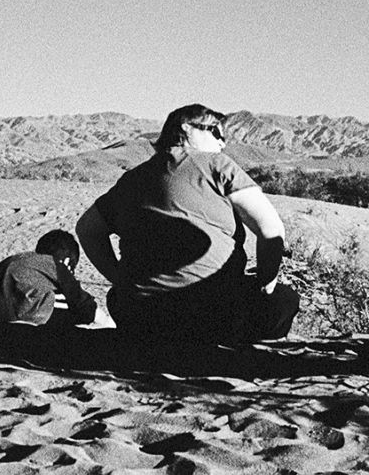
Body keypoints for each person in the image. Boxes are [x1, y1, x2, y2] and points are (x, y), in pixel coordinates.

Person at [76, 104, 299, 344]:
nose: (222, 143)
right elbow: (271, 229)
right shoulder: (217, 165)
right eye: (216, 132)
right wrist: (267, 284)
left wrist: (120, 279)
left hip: (138, 314)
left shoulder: (132, 179)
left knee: (117, 297)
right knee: (284, 299)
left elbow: (87, 229)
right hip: (213, 314)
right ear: (186, 129)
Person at [0, 230, 100, 328]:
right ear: (67, 261)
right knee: (74, 307)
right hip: (28, 323)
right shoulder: (53, 264)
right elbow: (83, 303)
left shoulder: (17, 260)